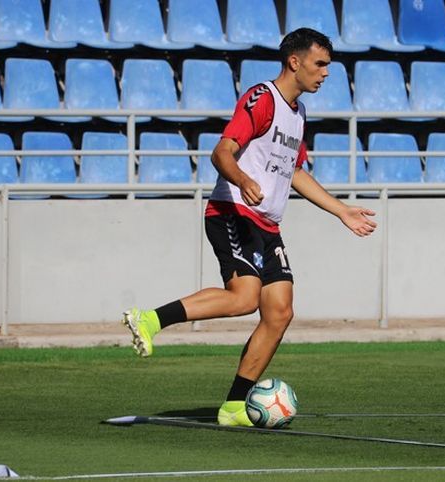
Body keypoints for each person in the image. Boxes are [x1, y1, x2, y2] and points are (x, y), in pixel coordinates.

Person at [121, 28, 377, 426]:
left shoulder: (298, 113)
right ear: (295, 62)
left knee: (279, 312)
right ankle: (149, 319)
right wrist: (242, 180)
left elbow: (294, 172)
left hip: (267, 224)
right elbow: (222, 151)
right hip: (232, 211)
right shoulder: (262, 99)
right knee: (243, 298)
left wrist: (341, 211)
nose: (326, 73)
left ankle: (235, 407)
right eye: (320, 64)